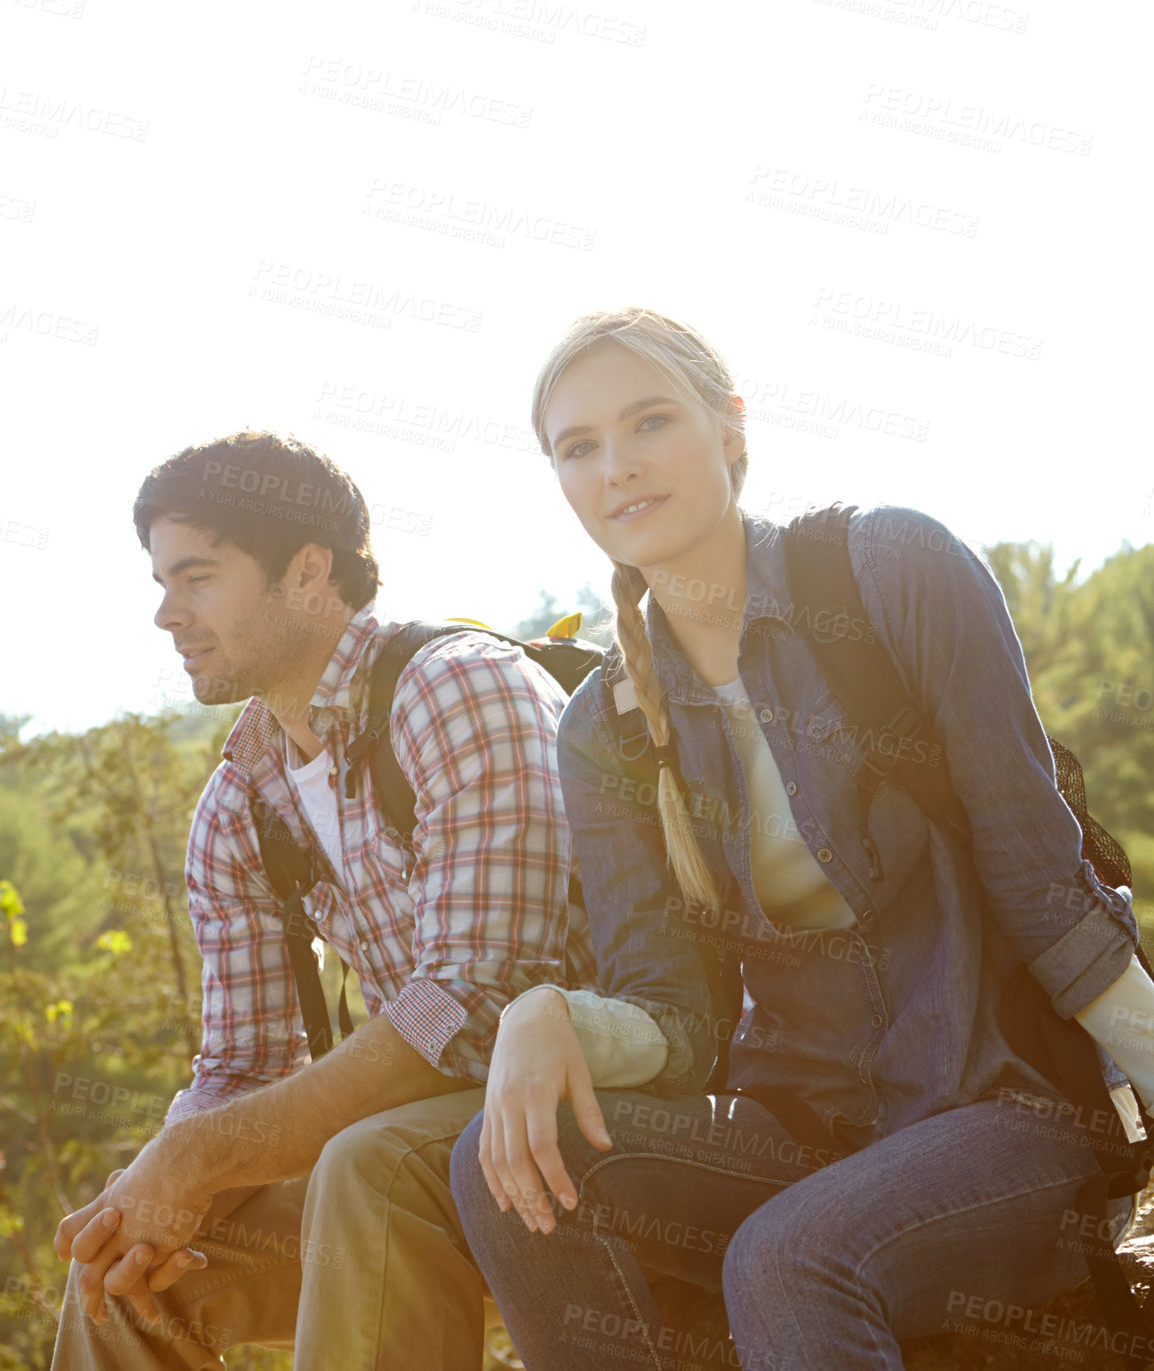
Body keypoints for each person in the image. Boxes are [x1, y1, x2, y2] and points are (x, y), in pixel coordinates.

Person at [449, 307, 1154, 1371]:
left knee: (784, 1259)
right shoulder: (604, 727)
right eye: (577, 447)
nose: (618, 467)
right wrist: (548, 1018)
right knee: (499, 1162)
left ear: (730, 429)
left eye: (649, 422)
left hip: (1002, 1114)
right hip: (806, 1132)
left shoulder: (889, 570)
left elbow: (1046, 888)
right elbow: (677, 1020)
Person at [52, 430, 595, 1371]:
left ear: (309, 571)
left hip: (593, 1112)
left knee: (364, 1165)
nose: (167, 615)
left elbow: (471, 1007)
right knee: (123, 1273)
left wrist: (199, 1160)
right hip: (423, 1152)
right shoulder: (238, 805)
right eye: (160, 583)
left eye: (198, 577)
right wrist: (158, 1186)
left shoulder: (456, 689)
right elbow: (242, 1065)